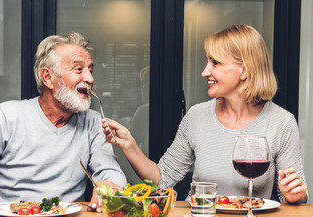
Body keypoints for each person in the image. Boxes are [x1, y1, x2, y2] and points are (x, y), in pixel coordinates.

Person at [102, 25, 308, 204]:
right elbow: (162, 178)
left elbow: (295, 197)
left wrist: (295, 194)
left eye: (215, 63)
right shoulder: (196, 116)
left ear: (243, 71)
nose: (205, 71)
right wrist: (129, 144)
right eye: (207, 61)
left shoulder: (282, 122)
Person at [0, 32, 127, 213]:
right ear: (48, 78)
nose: (90, 79)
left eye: (90, 70)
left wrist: (111, 185)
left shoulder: (92, 122)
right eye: (78, 69)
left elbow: (111, 171)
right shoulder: (5, 117)